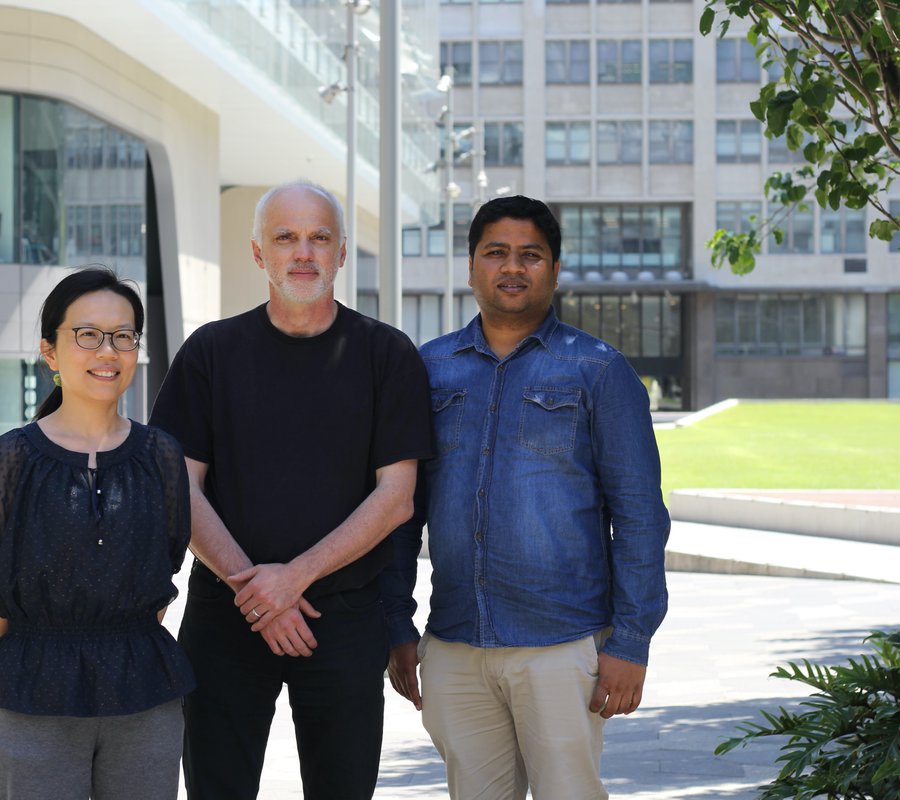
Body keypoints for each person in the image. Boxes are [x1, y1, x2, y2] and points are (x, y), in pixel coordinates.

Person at [149, 180, 434, 800]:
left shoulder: (387, 355)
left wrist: (290, 581)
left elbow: (397, 498)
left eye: (318, 238)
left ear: (340, 253)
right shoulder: (210, 353)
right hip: (226, 615)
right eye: (286, 238)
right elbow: (179, 487)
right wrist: (257, 591)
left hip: (344, 617)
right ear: (258, 253)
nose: (303, 253)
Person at [381, 195, 670, 800]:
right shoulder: (427, 370)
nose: (512, 267)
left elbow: (640, 516)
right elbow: (400, 513)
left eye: (530, 255)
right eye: (496, 253)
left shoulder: (598, 370)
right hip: (456, 644)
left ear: (555, 270)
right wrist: (396, 625)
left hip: (563, 646)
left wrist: (631, 643)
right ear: (471, 266)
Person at [0, 267, 194, 800]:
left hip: (145, 693)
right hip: (34, 690)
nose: (107, 351)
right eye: (86, 334)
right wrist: (43, 653)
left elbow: (165, 569)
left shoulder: (161, 455)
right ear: (49, 352)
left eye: (123, 336)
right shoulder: (12, 456)